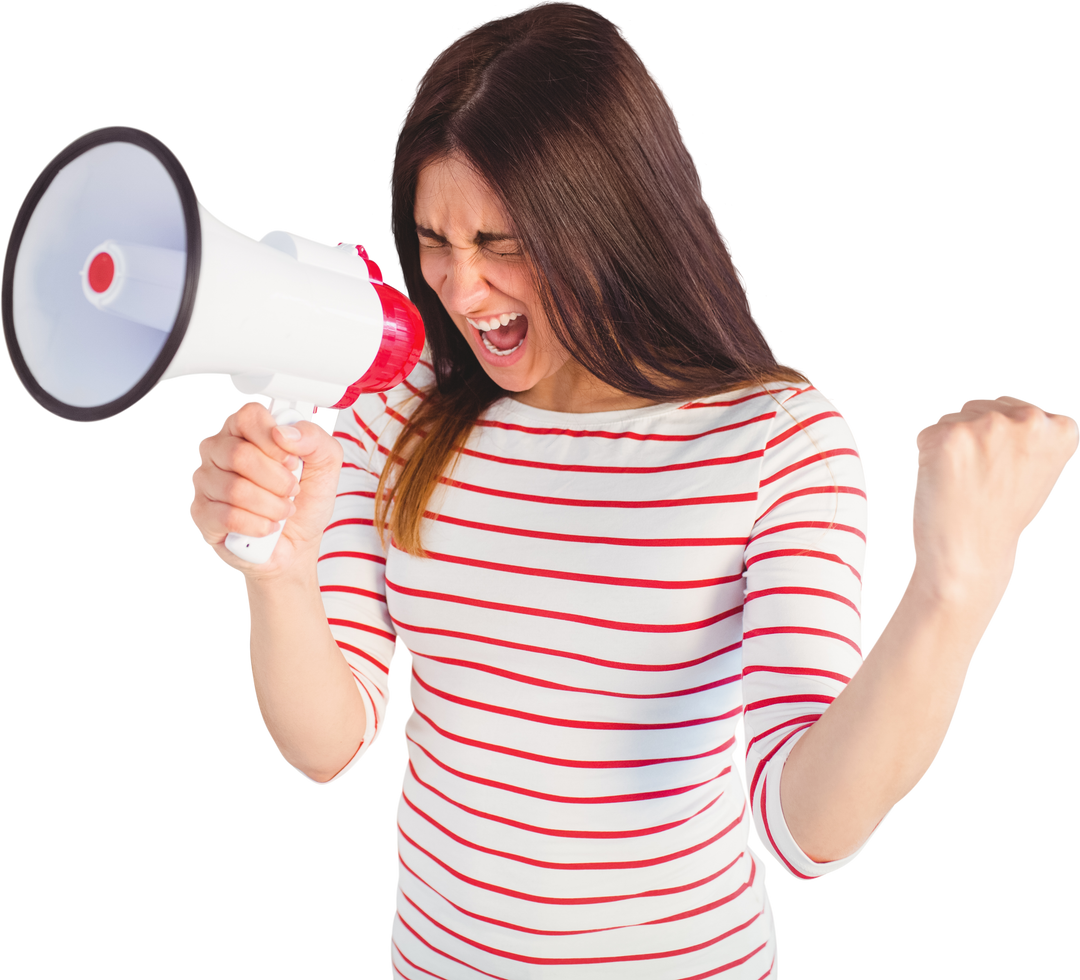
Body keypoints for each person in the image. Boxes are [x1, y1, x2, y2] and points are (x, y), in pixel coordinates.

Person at [186, 2, 1079, 977]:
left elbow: (804, 828)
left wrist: (956, 589)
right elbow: (327, 744)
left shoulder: (779, 442)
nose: (460, 287)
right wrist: (274, 570)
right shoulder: (393, 408)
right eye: (436, 238)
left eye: (503, 241)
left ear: (612, 220)